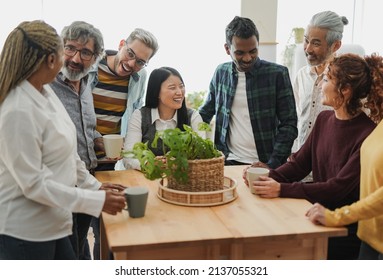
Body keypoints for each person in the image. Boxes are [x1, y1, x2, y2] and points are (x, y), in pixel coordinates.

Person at [0, 20, 125, 260]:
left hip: (54, 221)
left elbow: (70, 153)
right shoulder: (16, 109)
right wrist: (94, 200)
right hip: (26, 233)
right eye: (65, 50)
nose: (73, 59)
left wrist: (94, 186)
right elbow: (34, 185)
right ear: (51, 60)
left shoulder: (43, 92)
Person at [244, 53, 379, 259]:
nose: (321, 85)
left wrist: (281, 189)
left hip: (342, 229)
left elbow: (337, 188)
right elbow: (299, 165)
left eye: (326, 79)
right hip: (315, 215)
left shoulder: (367, 134)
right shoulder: (324, 119)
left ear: (345, 90)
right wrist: (267, 177)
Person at [306, 54, 383, 260]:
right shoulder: (379, 127)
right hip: (368, 235)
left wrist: (335, 216)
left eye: (327, 79)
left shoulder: (368, 130)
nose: (323, 84)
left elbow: (378, 196)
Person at [199, 16, 297, 169]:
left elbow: (289, 125)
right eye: (240, 53)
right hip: (228, 161)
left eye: (253, 51)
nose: (247, 58)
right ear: (227, 49)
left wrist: (272, 164)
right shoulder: (221, 73)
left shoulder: (277, 74)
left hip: (266, 163)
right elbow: (205, 113)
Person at [49, 21, 106, 260]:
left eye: (85, 52)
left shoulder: (86, 85)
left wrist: (99, 141)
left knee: (80, 244)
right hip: (61, 185)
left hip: (87, 179)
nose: (75, 58)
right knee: (68, 253)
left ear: (95, 58)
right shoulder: (46, 85)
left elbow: (87, 129)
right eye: (70, 48)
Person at [123, 66, 206, 170]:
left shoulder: (193, 117)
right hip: (147, 179)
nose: (179, 92)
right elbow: (129, 157)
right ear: (156, 92)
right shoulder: (139, 116)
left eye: (181, 86)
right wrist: (149, 164)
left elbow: (203, 155)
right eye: (172, 88)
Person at [293, 11, 348, 152]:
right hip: (302, 165)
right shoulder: (301, 76)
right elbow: (299, 119)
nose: (308, 49)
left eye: (316, 43)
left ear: (335, 46)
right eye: (306, 40)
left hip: (332, 165)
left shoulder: (347, 80)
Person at [90, 28, 159, 138]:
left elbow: (135, 116)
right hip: (82, 150)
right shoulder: (91, 65)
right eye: (130, 54)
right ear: (121, 45)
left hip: (114, 153)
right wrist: (95, 138)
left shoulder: (141, 76)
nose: (131, 64)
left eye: (140, 62)